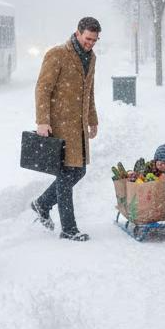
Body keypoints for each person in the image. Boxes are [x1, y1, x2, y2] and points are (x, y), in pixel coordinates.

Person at [30, 16, 100, 241]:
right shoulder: (58, 54)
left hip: (78, 126)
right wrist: (42, 121)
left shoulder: (92, 58)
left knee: (79, 170)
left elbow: (89, 92)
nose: (90, 43)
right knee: (64, 175)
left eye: (94, 40)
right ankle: (68, 229)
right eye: (88, 38)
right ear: (78, 33)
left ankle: (41, 203)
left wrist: (92, 119)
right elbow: (42, 88)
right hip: (58, 126)